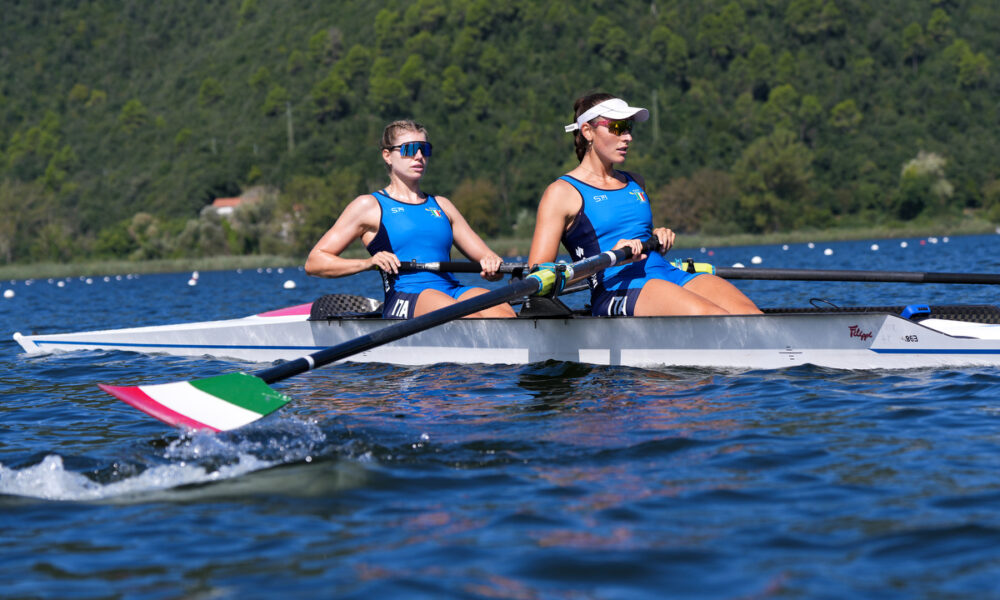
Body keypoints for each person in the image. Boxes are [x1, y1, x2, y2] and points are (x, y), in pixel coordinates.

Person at [528, 93, 761, 316]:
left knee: (750, 315)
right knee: (712, 316)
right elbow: (537, 276)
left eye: (629, 127)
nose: (627, 136)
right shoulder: (561, 192)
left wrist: (657, 237)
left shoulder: (634, 182)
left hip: (666, 273)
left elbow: (637, 236)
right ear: (588, 131)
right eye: (617, 127)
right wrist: (612, 256)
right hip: (615, 289)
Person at [305, 119, 516, 319]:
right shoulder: (369, 206)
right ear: (387, 155)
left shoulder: (443, 205)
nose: (418, 156)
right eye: (408, 149)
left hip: (452, 290)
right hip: (406, 296)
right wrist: (368, 263)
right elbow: (315, 262)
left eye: (424, 149)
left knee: (503, 312)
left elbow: (490, 263)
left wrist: (492, 267)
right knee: (465, 315)